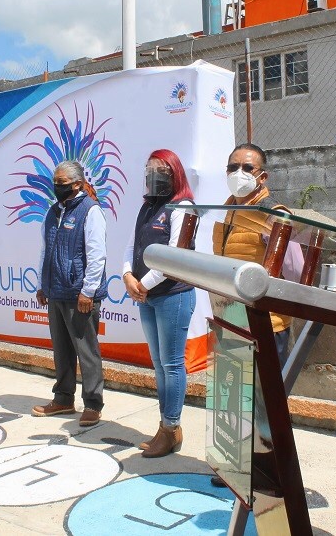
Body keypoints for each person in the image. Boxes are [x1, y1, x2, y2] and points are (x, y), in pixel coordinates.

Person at [122, 149, 196, 457]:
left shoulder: (184, 207)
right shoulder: (147, 206)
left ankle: (171, 426)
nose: (154, 174)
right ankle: (166, 427)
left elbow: (174, 256)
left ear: (175, 173)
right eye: (150, 168)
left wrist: (143, 284)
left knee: (172, 363)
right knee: (159, 363)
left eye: (162, 169)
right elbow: (132, 246)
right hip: (147, 297)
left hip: (172, 296)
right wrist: (127, 275)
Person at [32, 161, 107, 427]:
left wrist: (88, 291)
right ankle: (63, 399)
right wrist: (42, 284)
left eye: (62, 183)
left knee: (86, 351)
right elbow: (45, 250)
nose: (57, 186)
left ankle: (93, 404)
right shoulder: (52, 212)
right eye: (55, 182)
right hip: (56, 291)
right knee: (61, 350)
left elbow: (97, 255)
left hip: (79, 295)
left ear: (77, 184)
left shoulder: (91, 211)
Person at [212, 143, 294, 364]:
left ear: (263, 177)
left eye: (248, 168)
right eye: (233, 167)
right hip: (231, 317)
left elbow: (294, 271)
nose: (239, 173)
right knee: (234, 385)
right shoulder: (226, 210)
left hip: (265, 322)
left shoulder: (273, 215)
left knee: (265, 386)